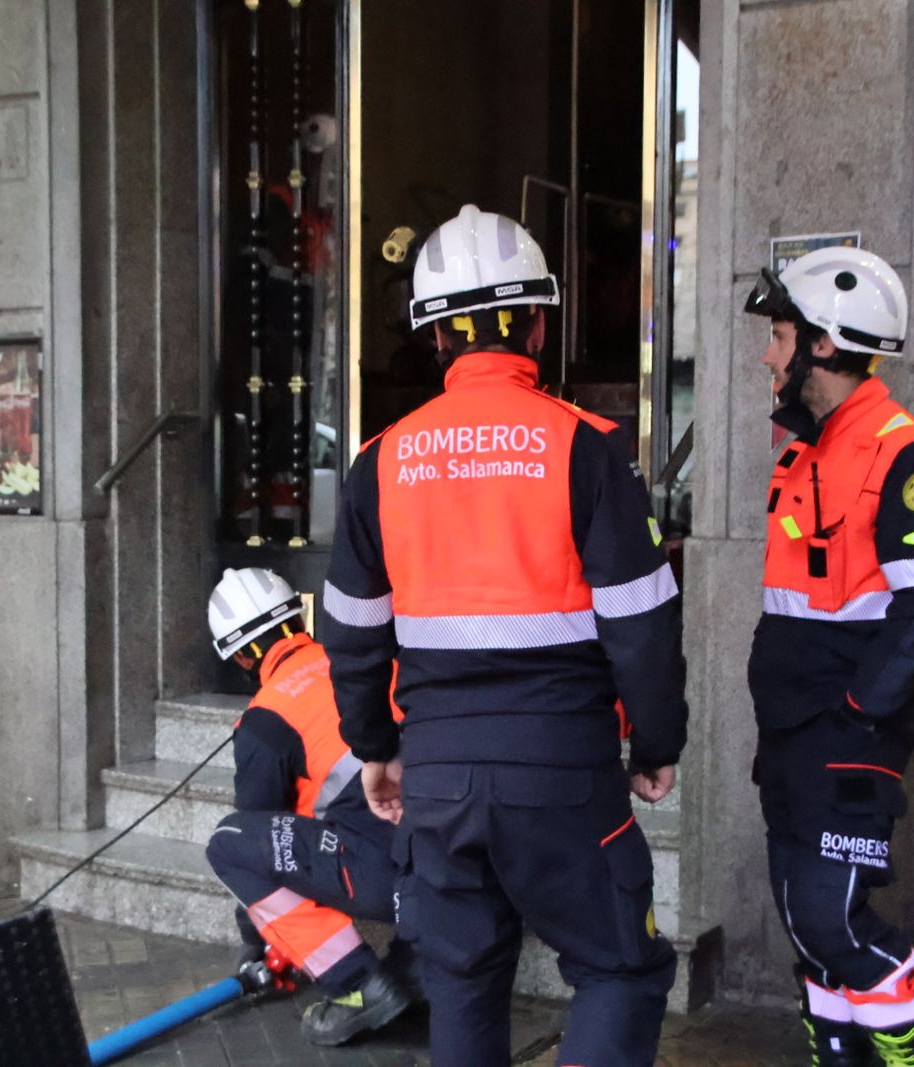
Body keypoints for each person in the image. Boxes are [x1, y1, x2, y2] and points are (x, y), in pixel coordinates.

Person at [322, 204, 689, 1067]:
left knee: (462, 981)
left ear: (435, 338)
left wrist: (376, 746)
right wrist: (655, 740)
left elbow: (351, 635)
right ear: (536, 322)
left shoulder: (381, 462)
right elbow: (642, 624)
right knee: (619, 970)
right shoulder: (588, 448)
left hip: (439, 780)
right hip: (563, 776)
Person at [743, 246, 914, 1066]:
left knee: (831, 920)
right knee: (805, 925)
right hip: (792, 735)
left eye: (778, 336)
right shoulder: (806, 450)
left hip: (846, 737)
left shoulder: (909, 458)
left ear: (825, 345)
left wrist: (857, 714)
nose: (769, 355)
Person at [202, 566, 413, 1047]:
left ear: (239, 657)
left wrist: (258, 938)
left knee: (230, 842)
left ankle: (357, 983)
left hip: (387, 872)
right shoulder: (369, 663)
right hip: (455, 850)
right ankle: (414, 967)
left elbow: (263, 834)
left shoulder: (266, 720)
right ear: (298, 619)